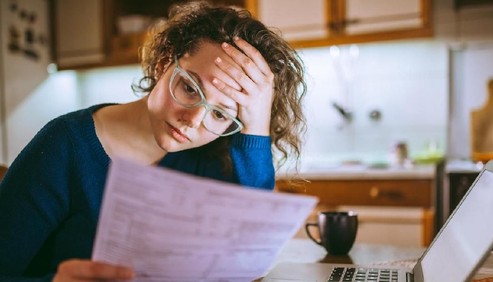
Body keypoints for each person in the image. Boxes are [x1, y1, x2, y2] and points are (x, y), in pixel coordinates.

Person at [0, 1, 307, 281]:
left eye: (220, 115)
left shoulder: (213, 158)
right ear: (163, 63)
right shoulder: (63, 146)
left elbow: (250, 251)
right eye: (189, 88)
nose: (193, 120)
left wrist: (256, 126)